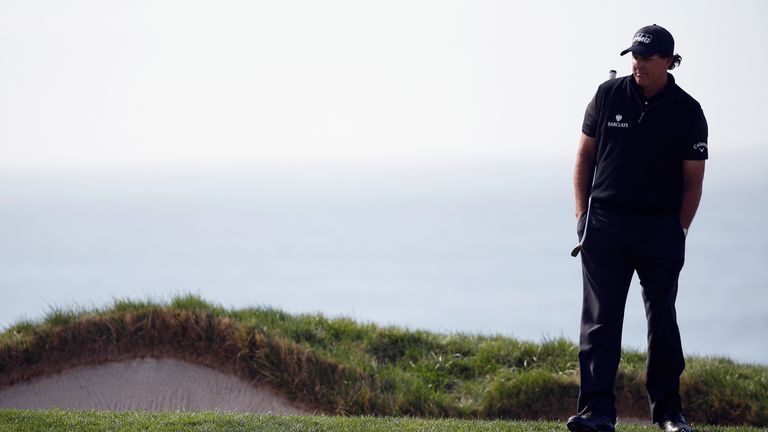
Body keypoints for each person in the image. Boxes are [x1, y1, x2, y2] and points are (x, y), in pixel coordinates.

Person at [567, 24, 708, 432]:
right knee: (599, 321)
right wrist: (582, 217)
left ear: (668, 61)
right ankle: (597, 411)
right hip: (605, 225)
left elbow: (693, 182)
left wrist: (676, 232)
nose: (638, 64)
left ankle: (668, 413)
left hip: (659, 229)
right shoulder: (607, 94)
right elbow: (583, 157)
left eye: (647, 58)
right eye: (634, 56)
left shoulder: (688, 111)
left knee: (662, 321)